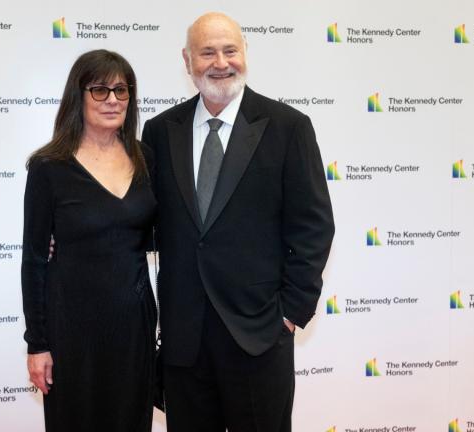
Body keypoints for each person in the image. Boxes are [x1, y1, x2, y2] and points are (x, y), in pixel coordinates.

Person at [141, 12, 334, 432]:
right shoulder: (159, 132)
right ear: (187, 59)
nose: (220, 62)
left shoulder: (288, 128)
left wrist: (289, 313)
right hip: (183, 340)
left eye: (230, 50)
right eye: (207, 52)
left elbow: (314, 227)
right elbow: (143, 218)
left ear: (246, 52)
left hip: (259, 335)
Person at [21, 49, 157, 432]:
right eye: (100, 90)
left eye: (122, 90)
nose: (113, 100)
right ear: (78, 95)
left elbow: (152, 233)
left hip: (133, 326)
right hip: (71, 330)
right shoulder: (49, 167)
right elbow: (33, 261)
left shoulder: (145, 158)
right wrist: (37, 343)